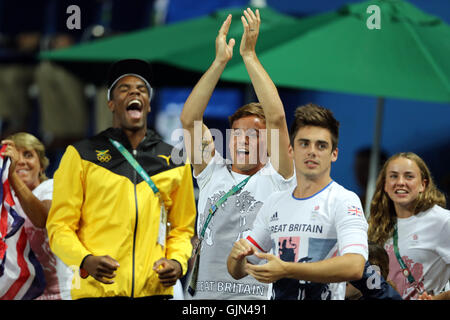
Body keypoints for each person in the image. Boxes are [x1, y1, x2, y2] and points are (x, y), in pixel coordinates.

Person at [46, 59, 196, 300]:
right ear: (111, 103)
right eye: (124, 88)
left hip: (155, 292)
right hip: (97, 292)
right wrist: (86, 260)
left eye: (142, 89)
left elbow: (182, 228)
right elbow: (59, 227)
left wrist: (178, 262)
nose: (134, 91)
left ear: (148, 105)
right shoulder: (81, 155)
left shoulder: (174, 160)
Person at [180, 8, 295, 300]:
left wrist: (249, 56)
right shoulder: (210, 173)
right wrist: (219, 62)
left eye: (255, 134)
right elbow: (190, 120)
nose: (243, 140)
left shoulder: (279, 178)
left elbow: (278, 119)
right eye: (238, 134)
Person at [227, 103, 368, 300]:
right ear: (291, 150)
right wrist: (235, 258)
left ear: (334, 154)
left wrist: (286, 269)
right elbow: (240, 269)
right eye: (304, 143)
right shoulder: (274, 202)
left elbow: (355, 266)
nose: (312, 151)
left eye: (321, 145)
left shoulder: (345, 200)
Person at [368, 152, 450, 300]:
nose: (400, 182)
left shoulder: (442, 221)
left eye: (409, 176)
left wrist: (438, 298)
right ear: (385, 185)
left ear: (423, 185)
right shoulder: (377, 223)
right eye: (393, 176)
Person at [1, 132, 72, 299]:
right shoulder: (6, 204)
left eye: (28, 155)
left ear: (41, 165)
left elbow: (42, 218)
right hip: (28, 294)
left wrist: (12, 175)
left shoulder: (51, 187)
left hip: (63, 291)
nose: (21, 161)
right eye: (14, 157)